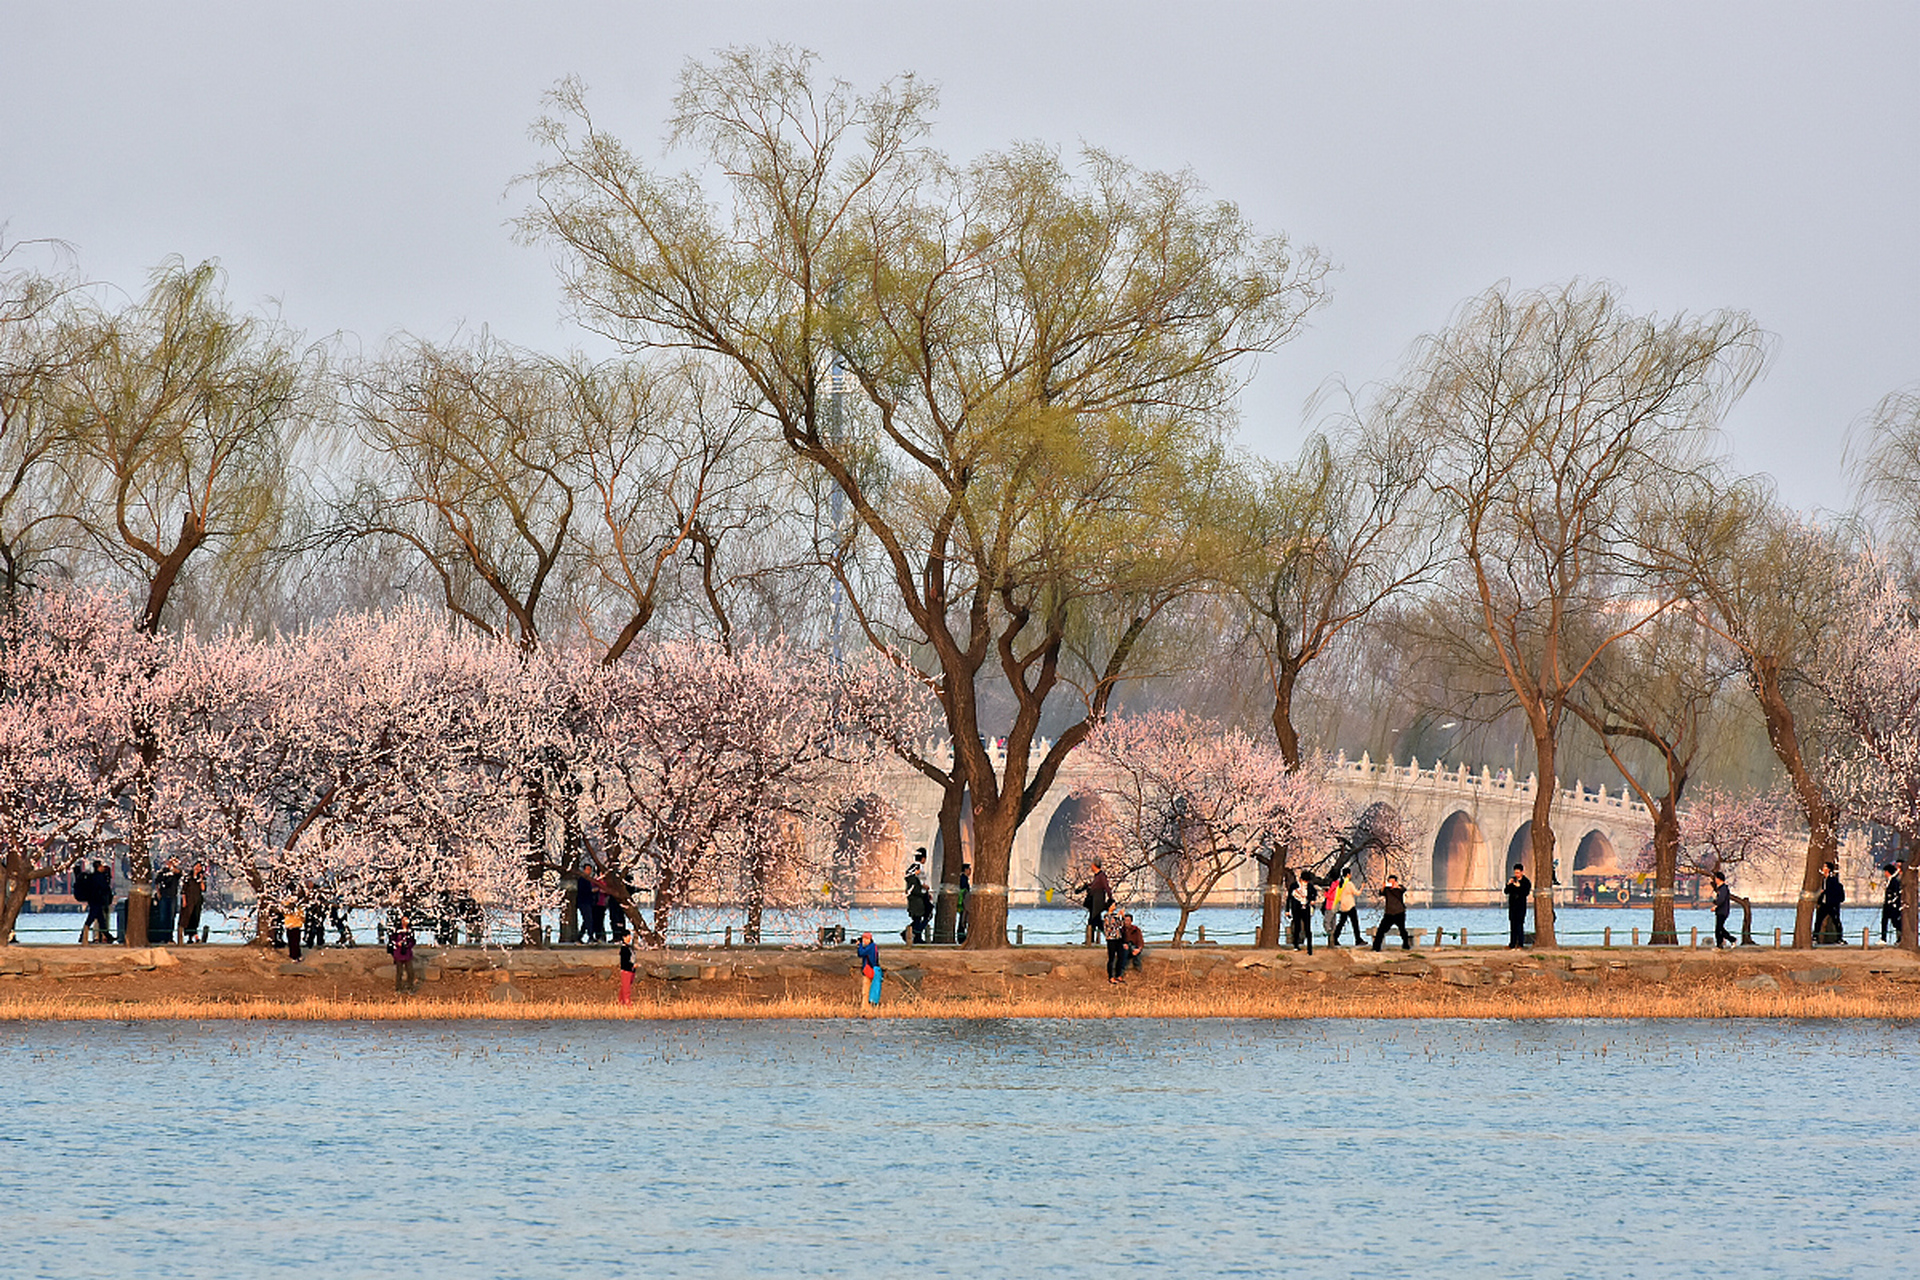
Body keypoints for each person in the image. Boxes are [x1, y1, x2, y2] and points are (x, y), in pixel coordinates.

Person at [1372, 874, 1411, 951]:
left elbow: (1403, 889)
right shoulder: (1387, 890)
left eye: (1392, 882)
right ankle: (1376, 947)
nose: (1391, 883)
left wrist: (1396, 886)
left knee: (1402, 930)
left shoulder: (1399, 889)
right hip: (1389, 914)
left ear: (1396, 882)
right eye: (1389, 882)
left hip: (1399, 913)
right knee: (1381, 930)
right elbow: (1380, 893)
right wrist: (1383, 886)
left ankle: (1406, 945)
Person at [1081, 860, 1113, 946]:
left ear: (1094, 865)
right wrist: (1086, 887)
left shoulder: (1101, 876)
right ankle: (1094, 939)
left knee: (1094, 921)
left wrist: (1111, 898)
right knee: (1095, 921)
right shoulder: (1097, 876)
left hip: (1097, 903)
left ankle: (1108, 938)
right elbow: (1094, 885)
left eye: (1091, 865)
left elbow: (1107, 887)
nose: (1091, 867)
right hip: (1094, 902)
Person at [1814, 861, 1845, 944]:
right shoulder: (1824, 879)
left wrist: (1824, 892)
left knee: (1836, 921)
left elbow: (1832, 891)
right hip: (1825, 904)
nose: (1823, 869)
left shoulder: (1832, 880)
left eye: (1825, 867)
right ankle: (1815, 937)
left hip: (1831, 904)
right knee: (1818, 920)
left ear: (1828, 869)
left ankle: (1839, 938)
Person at [154, 857, 182, 945]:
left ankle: (170, 937)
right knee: (163, 917)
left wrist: (172, 868)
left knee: (171, 917)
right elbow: (157, 882)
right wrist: (158, 892)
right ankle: (163, 937)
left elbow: (179, 873)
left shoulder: (176, 872)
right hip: (164, 896)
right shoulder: (163, 872)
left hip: (173, 896)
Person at [177, 860, 207, 944]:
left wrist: (201, 880)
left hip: (197, 900)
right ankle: (190, 936)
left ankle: (194, 935)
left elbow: (203, 889)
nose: (197, 868)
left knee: (195, 917)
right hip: (189, 900)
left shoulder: (201, 877)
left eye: (199, 867)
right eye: (196, 866)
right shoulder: (188, 877)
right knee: (187, 918)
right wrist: (184, 900)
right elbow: (183, 890)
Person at [1329, 872, 1362, 946]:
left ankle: (1334, 938)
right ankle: (1358, 939)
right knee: (1355, 923)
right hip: (1350, 905)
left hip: (1343, 906)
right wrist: (1362, 887)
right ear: (1348, 874)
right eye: (1350, 874)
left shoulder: (1341, 883)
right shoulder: (1349, 884)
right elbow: (1357, 893)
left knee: (1341, 922)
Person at [388, 914, 419, 993]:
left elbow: (413, 941)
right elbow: (392, 940)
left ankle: (410, 987)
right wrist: (398, 944)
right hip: (398, 953)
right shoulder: (396, 930)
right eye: (403, 920)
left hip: (407, 954)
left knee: (410, 971)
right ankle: (398, 988)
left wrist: (408, 945)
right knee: (399, 972)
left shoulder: (410, 931)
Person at [1505, 863, 1532, 949]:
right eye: (1515, 873)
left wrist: (1519, 887)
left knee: (1519, 925)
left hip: (1521, 906)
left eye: (1518, 873)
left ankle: (1520, 944)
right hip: (1512, 906)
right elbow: (1506, 891)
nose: (1516, 874)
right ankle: (1512, 944)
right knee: (1512, 925)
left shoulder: (1526, 882)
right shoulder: (1513, 880)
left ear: (1522, 872)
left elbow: (1526, 893)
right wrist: (1508, 884)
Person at [1287, 872, 1315, 955]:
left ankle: (1309, 948)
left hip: (1306, 908)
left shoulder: (1310, 886)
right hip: (1296, 908)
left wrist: (1312, 899)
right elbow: (1289, 898)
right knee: (1297, 927)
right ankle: (1296, 945)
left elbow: (1314, 893)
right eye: (1305, 881)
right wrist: (1287, 910)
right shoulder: (1294, 886)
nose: (1306, 883)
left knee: (1307, 928)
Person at [1102, 900, 1128, 984]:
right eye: (1113, 905)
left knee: (1121, 956)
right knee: (1111, 958)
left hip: (1118, 938)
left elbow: (1121, 925)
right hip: (1111, 939)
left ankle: (1118, 975)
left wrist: (1122, 917)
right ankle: (1111, 976)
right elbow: (1111, 924)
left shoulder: (1115, 916)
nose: (1115, 906)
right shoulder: (1106, 916)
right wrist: (1117, 916)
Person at [856, 931, 883, 1006]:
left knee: (866, 989)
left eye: (866, 939)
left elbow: (860, 953)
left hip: (870, 970)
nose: (864, 941)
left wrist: (860, 945)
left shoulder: (870, 947)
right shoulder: (873, 947)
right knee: (872, 988)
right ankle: (870, 1005)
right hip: (874, 969)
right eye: (863, 939)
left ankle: (865, 1006)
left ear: (870, 939)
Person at [1881, 862, 1904, 944]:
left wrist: (1893, 904)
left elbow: (1896, 894)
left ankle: (1901, 937)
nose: (1884, 874)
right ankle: (1883, 938)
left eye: (1885, 872)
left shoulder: (1895, 882)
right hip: (1887, 905)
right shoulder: (1888, 881)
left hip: (1892, 906)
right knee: (1884, 922)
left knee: (1895, 922)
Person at [1712, 872, 1735, 949]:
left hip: (1722, 911)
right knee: (1719, 928)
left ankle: (1731, 939)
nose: (1715, 880)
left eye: (1715, 878)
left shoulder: (1723, 888)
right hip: (1721, 911)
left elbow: (1721, 899)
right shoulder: (1721, 888)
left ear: (1718, 879)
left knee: (1719, 929)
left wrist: (1716, 905)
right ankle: (1720, 944)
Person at [617, 930, 636, 1005]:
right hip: (626, 970)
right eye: (629, 936)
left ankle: (621, 1002)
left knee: (624, 988)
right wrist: (632, 965)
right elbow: (624, 961)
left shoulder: (629, 948)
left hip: (631, 970)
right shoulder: (624, 949)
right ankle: (628, 1004)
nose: (630, 937)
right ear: (624, 937)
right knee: (626, 989)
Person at [956, 862, 972, 943]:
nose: (970, 871)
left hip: (963, 902)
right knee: (963, 920)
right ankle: (961, 937)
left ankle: (962, 936)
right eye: (969, 869)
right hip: (964, 902)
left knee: (963, 919)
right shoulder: (963, 879)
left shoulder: (963, 878)